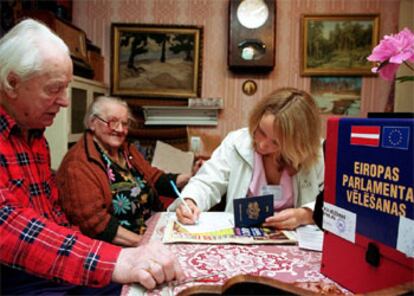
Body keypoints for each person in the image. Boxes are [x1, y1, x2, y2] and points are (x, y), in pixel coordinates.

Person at [0, 18, 183, 295]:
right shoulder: (78, 161)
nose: (64, 101)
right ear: (12, 83)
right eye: (54, 89)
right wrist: (115, 258)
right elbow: (8, 225)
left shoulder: (34, 135)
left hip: (54, 265)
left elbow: (55, 216)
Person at [172, 87, 324, 230]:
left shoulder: (317, 153)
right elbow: (207, 181)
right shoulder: (237, 143)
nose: (263, 145)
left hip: (297, 243)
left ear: (297, 145)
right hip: (242, 238)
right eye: (261, 132)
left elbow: (335, 204)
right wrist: (191, 201)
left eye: (276, 142)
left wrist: (306, 214)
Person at [56, 96, 198, 247]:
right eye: (112, 122)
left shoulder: (125, 149)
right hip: (121, 248)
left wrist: (191, 176)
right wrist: (146, 244)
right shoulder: (78, 164)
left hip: (151, 231)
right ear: (92, 123)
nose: (120, 130)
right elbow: (96, 225)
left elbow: (154, 178)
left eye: (125, 124)